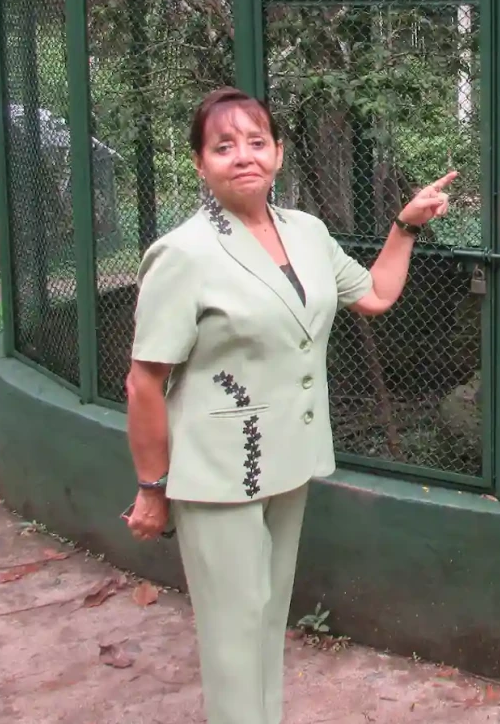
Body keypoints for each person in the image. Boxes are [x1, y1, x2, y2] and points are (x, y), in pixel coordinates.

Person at [122, 86, 456, 724]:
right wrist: (151, 487)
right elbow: (145, 381)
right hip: (217, 472)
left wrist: (406, 224)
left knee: (267, 617)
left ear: (277, 153)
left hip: (291, 459)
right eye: (224, 146)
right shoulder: (183, 254)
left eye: (256, 141)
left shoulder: (306, 232)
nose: (242, 156)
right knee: (232, 633)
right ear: (200, 163)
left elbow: (377, 294)